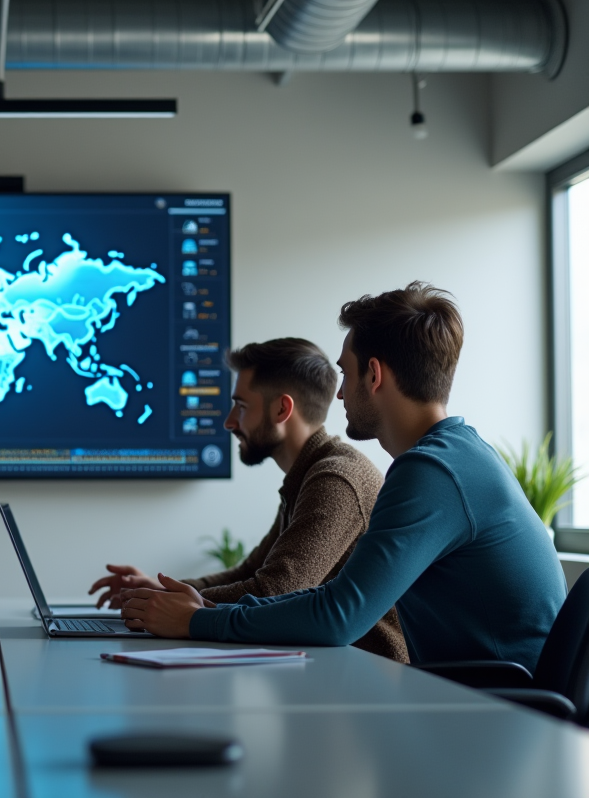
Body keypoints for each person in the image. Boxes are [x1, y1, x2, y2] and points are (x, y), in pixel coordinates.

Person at [119, 283, 566, 673]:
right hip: (478, 698)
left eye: (346, 373)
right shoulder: (454, 455)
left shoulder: (434, 471)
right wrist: (190, 607)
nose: (338, 393)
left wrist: (198, 620)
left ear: (374, 375)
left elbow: (338, 614)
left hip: (497, 713)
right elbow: (325, 597)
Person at [90, 338, 407, 662]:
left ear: (282, 409)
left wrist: (176, 606)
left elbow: (275, 591)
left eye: (241, 406)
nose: (229, 422)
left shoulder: (335, 479)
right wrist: (161, 593)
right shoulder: (309, 474)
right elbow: (252, 571)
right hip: (332, 668)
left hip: (366, 674)